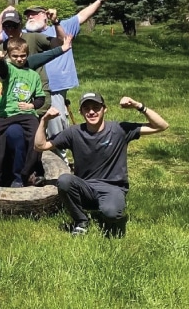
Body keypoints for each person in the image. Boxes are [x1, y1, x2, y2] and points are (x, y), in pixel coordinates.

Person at [36, 93, 169, 237]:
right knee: (64, 180)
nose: (91, 112)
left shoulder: (119, 129)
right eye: (86, 108)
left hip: (112, 188)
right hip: (85, 188)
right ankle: (81, 221)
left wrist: (138, 106)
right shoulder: (74, 133)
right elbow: (40, 146)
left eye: (96, 107)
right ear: (81, 112)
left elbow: (162, 126)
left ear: (104, 109)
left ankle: (107, 208)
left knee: (111, 214)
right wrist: (44, 120)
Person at [0, 0, 118, 141]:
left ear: (45, 15)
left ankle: (60, 157)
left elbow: (83, 15)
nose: (30, 17)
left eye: (34, 14)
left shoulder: (62, 25)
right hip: (29, 87)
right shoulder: (20, 33)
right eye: (28, 15)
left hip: (55, 86)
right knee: (33, 127)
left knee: (55, 124)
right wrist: (5, 12)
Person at [0, 36, 72, 187]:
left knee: (36, 138)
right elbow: (2, 70)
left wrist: (32, 106)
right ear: (9, 56)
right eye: (15, 56)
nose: (19, 59)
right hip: (6, 113)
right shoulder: (9, 69)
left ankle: (28, 173)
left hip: (27, 114)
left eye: (22, 56)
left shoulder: (33, 75)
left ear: (27, 55)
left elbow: (40, 97)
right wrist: (0, 60)